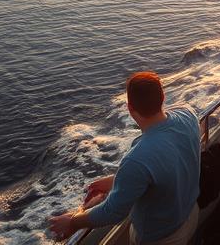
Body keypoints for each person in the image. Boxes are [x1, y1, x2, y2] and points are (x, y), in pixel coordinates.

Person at [48, 72, 200, 245]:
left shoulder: (137, 159)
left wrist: (73, 222)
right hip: (191, 214)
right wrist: (117, 179)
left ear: (129, 108)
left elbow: (113, 212)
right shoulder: (188, 115)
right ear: (163, 97)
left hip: (162, 237)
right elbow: (168, 162)